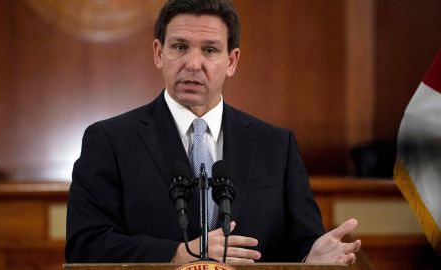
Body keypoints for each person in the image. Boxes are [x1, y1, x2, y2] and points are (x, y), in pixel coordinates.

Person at [65, 0, 361, 264]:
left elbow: (300, 244)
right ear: (159, 53)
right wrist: (177, 255)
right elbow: (84, 245)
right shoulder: (110, 141)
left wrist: (313, 258)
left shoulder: (276, 145)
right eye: (180, 47)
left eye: (210, 50)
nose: (193, 64)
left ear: (231, 61)